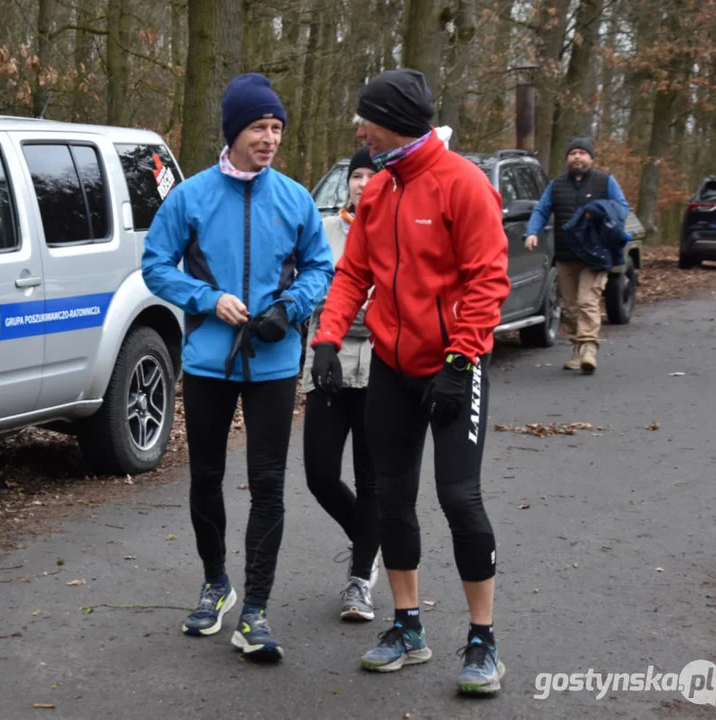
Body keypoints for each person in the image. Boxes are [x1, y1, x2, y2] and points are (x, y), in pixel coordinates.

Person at [309, 68, 511, 695]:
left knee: (459, 499)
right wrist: (326, 340)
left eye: (366, 119)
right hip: (392, 369)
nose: (359, 129)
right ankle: (407, 627)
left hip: (453, 368)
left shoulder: (463, 185)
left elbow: (488, 282)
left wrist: (459, 361)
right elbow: (352, 276)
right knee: (392, 497)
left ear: (393, 120)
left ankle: (483, 641)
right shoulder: (378, 190)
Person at [141, 72, 334, 662]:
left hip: (274, 363)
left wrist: (290, 307)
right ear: (233, 132)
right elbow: (155, 266)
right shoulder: (190, 196)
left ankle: (255, 611)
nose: (269, 138)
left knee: (270, 486)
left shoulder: (295, 198)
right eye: (258, 127)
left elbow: (320, 268)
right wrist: (207, 298)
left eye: (276, 128)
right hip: (207, 360)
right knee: (205, 478)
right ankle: (215, 585)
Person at [301, 146, 381, 622]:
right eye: (357, 176)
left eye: (373, 175)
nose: (363, 182)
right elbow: (314, 291)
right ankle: (368, 539)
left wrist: (352, 311)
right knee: (319, 474)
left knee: (372, 478)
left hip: (378, 368)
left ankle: (359, 579)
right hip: (326, 364)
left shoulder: (394, 234)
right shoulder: (324, 231)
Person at [525, 137, 630, 373]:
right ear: (567, 158)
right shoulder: (557, 184)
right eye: (573, 153)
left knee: (587, 301)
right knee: (571, 307)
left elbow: (622, 208)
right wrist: (532, 232)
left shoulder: (606, 181)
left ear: (591, 158)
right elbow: (542, 209)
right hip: (565, 254)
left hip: (596, 255)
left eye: (583, 153)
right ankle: (578, 348)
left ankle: (589, 348)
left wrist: (601, 212)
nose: (578, 157)